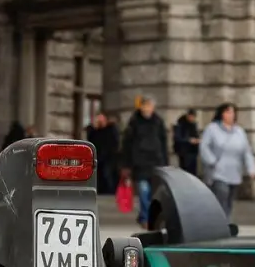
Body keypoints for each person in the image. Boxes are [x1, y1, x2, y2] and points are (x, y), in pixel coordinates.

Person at [199, 103, 255, 220]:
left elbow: (246, 151)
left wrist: (251, 168)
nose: (231, 115)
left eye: (232, 112)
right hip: (218, 171)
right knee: (222, 195)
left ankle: (226, 220)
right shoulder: (212, 129)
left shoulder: (239, 131)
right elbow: (204, 146)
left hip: (234, 171)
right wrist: (212, 161)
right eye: (228, 112)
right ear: (221, 114)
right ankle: (219, 221)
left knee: (230, 199)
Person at [119, 96, 169, 229]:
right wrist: (126, 165)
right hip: (139, 162)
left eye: (149, 106)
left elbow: (163, 143)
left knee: (153, 193)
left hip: (155, 162)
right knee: (143, 191)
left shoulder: (158, 122)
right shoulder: (134, 122)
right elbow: (127, 144)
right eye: (145, 105)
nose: (147, 108)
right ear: (140, 107)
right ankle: (146, 218)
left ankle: (145, 215)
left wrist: (165, 163)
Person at [85, 112, 119, 194]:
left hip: (109, 159)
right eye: (98, 119)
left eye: (101, 119)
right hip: (97, 158)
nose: (100, 121)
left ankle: (110, 193)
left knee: (107, 177)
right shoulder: (94, 132)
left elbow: (114, 144)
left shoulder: (111, 130)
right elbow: (90, 141)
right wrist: (92, 129)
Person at [173, 109, 201, 174]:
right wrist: (189, 140)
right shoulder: (180, 124)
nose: (192, 118)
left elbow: (196, 135)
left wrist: (197, 140)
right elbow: (177, 138)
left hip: (193, 151)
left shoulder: (193, 125)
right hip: (184, 151)